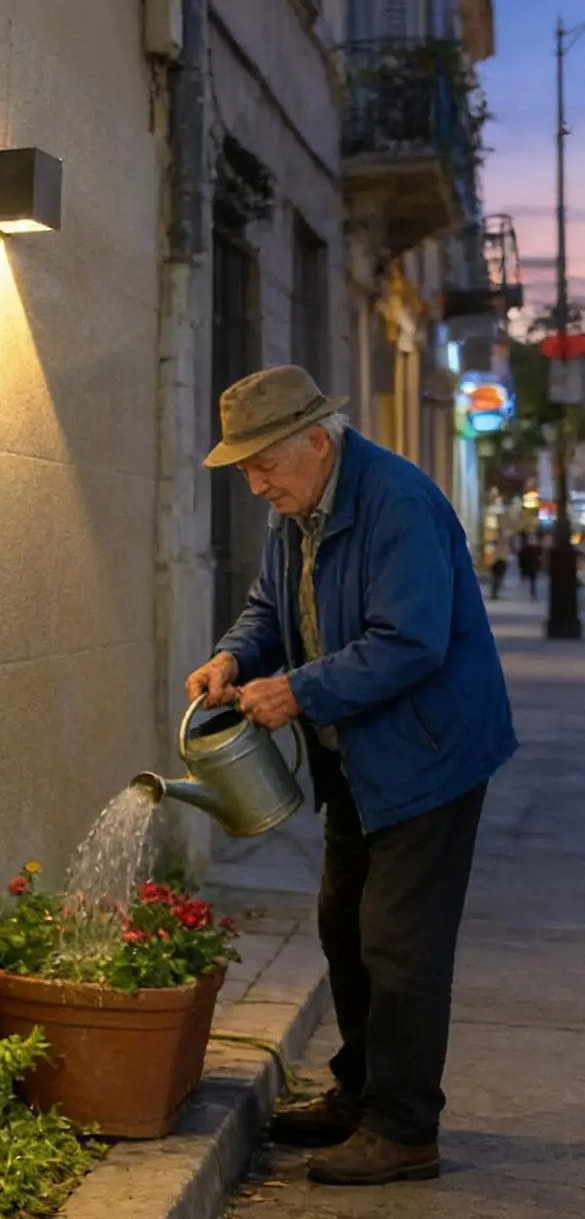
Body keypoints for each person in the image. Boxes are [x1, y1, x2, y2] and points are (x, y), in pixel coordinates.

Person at [186, 366, 516, 1187]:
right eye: (244, 468)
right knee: (343, 924)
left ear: (314, 439)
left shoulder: (395, 501)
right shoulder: (298, 507)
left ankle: (404, 1128)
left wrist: (297, 690)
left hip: (428, 754)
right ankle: (362, 1091)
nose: (255, 483)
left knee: (399, 941)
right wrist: (233, 656)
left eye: (263, 463)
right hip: (358, 755)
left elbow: (409, 641)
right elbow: (270, 607)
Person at [517, 532, 541, 600]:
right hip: (531, 567)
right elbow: (537, 559)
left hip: (528, 567)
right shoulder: (534, 550)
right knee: (532, 581)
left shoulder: (524, 550)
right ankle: (532, 593)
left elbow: (521, 559)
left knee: (531, 581)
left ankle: (531, 593)